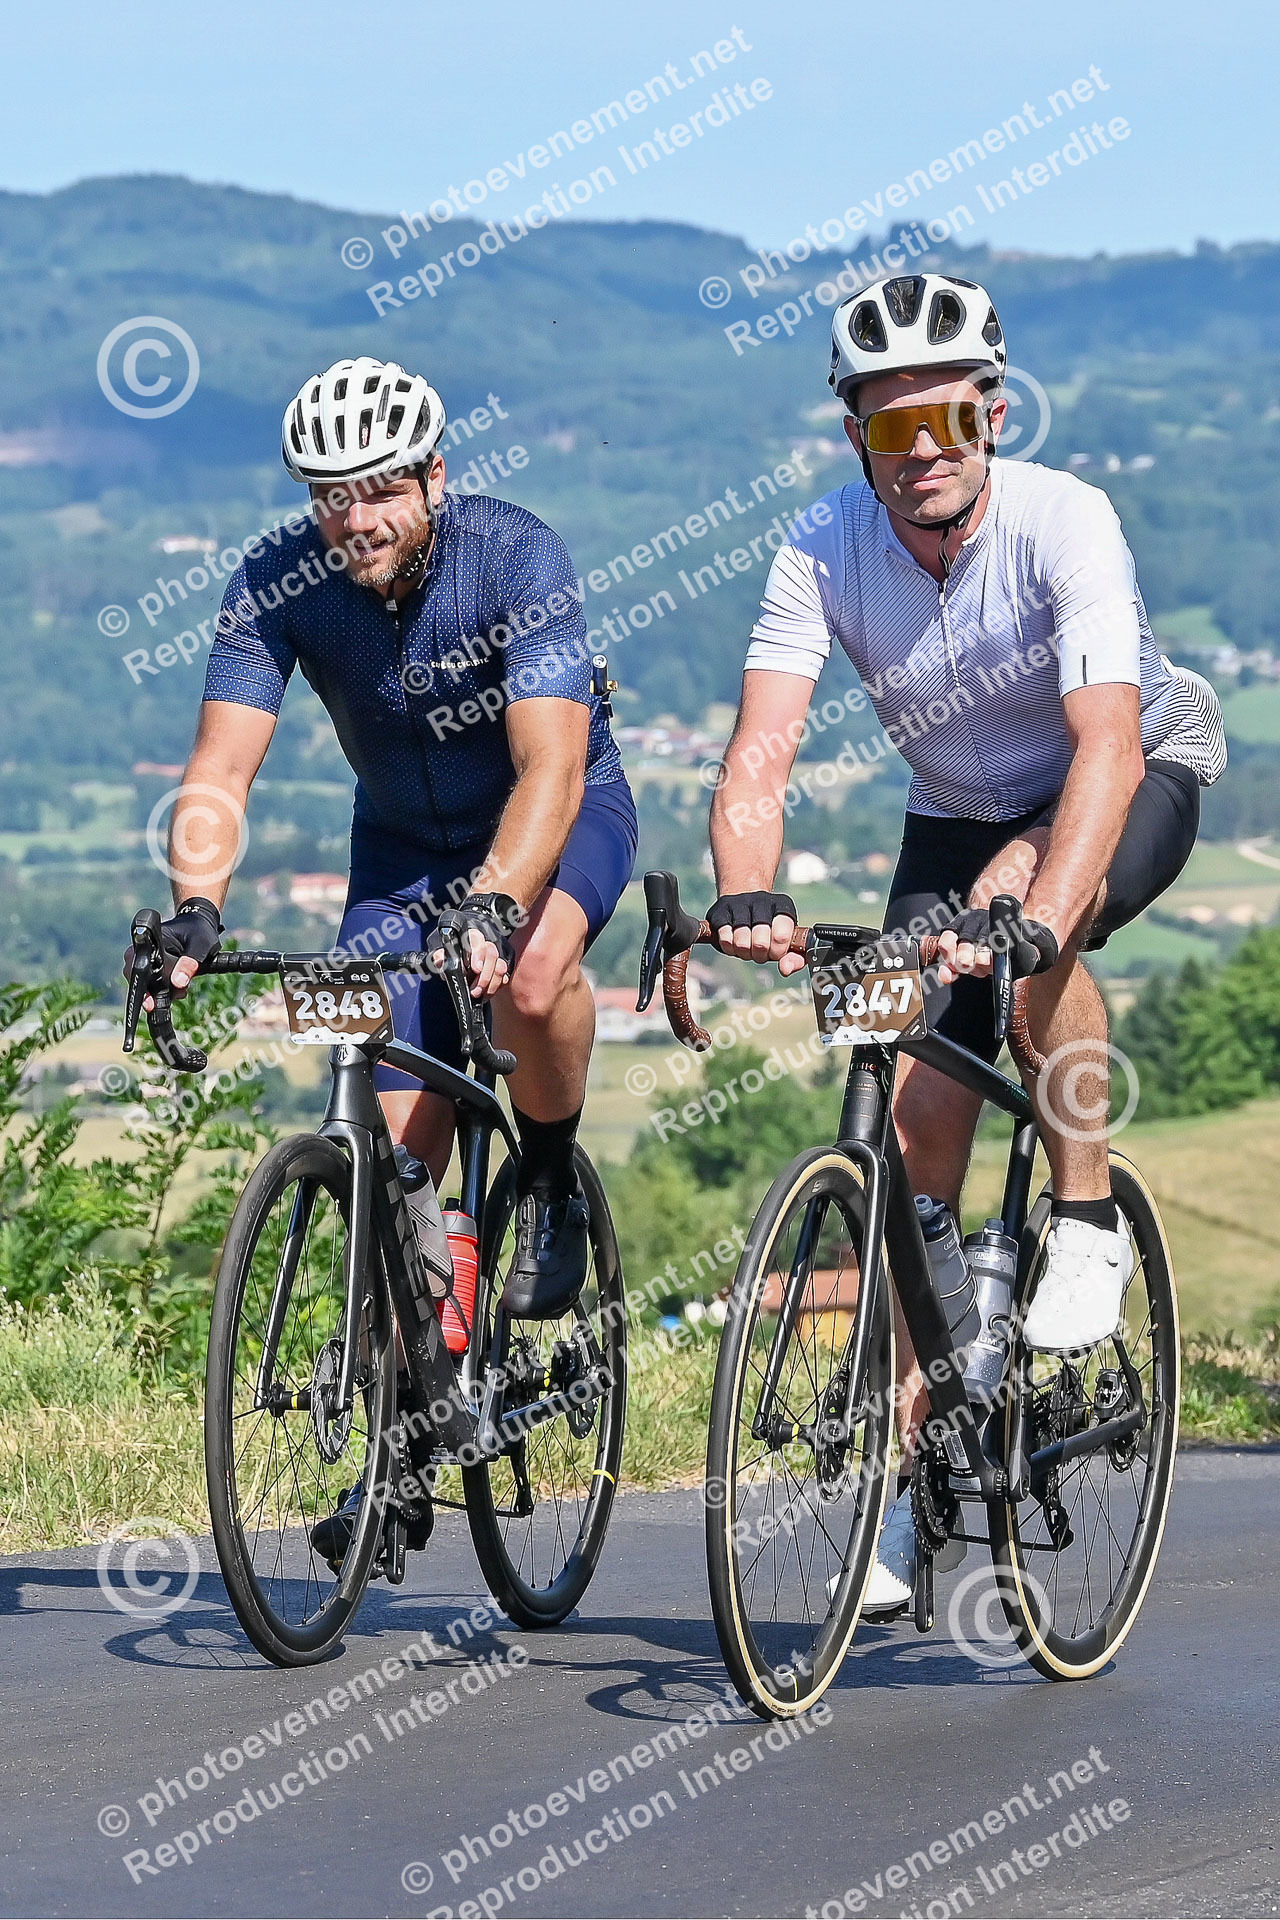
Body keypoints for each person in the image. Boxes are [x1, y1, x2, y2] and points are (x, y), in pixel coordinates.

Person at [706, 272, 1225, 1612]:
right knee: (912, 1119)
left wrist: (1042, 908)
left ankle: (1087, 1216)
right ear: (856, 440)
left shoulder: (1066, 518)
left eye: (948, 417)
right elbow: (760, 751)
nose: (923, 448)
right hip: (954, 814)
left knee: (1038, 941)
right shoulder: (821, 546)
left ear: (992, 414)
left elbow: (1105, 746)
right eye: (893, 426)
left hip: (1135, 771)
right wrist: (748, 889)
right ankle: (912, 1453)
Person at [132, 353, 635, 1320]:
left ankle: (547, 1180)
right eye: (332, 498)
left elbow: (552, 767)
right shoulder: (276, 580)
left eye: (381, 491)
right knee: (394, 1159)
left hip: (559, 819)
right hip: (402, 852)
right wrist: (196, 906)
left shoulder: (515, 556)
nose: (356, 520)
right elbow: (220, 770)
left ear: (433, 477)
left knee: (532, 979)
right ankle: (411, 1378)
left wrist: (494, 903)